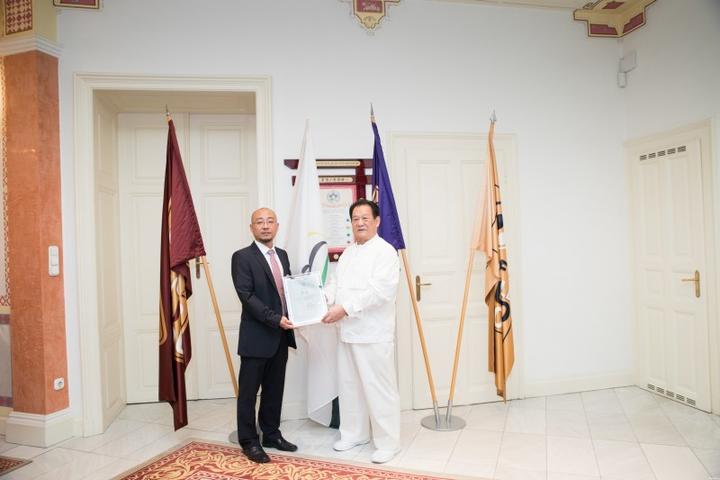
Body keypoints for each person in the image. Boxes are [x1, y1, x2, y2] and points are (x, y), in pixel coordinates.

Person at [321, 199, 401, 464]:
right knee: (350, 387)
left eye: (365, 218)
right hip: (347, 333)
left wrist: (344, 309)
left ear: (377, 221)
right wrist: (323, 299)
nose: (360, 223)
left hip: (373, 334)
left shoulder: (386, 252)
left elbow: (380, 292)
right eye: (355, 218)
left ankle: (388, 443)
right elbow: (336, 283)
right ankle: (355, 434)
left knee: (379, 389)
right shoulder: (348, 253)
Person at [231, 207, 298, 464]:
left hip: (281, 336)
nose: (266, 226)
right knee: (249, 394)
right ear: (252, 228)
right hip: (256, 336)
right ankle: (249, 441)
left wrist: (300, 310)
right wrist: (275, 318)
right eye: (260, 222)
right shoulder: (242, 257)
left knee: (274, 389)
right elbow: (246, 296)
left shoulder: (282, 255)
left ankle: (271, 434)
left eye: (270, 221)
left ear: (277, 226)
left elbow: (287, 291)